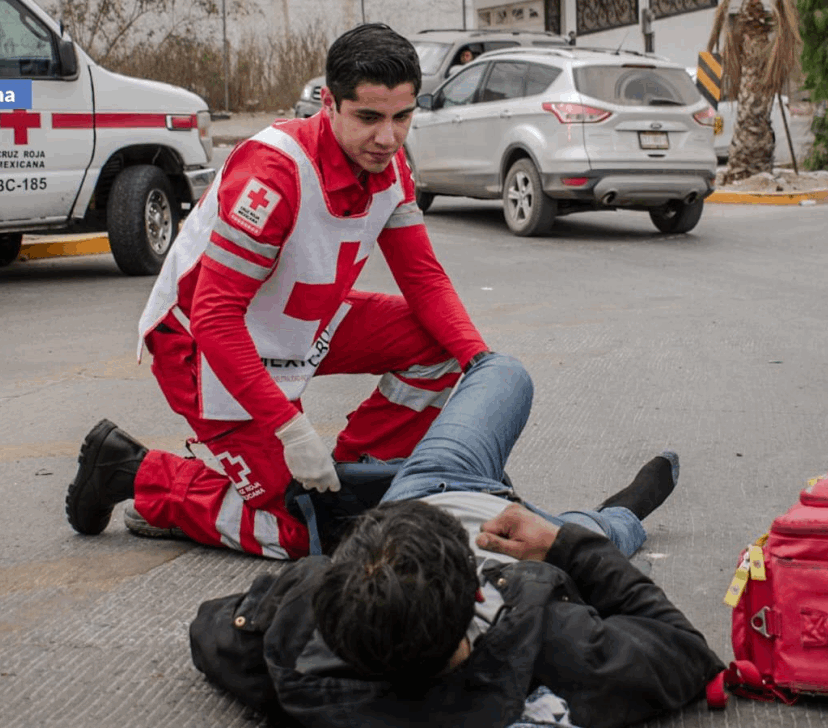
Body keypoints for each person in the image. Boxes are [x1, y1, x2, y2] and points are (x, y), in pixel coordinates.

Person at [64, 23, 491, 559]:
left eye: (402, 117)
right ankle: (141, 475)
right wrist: (291, 432)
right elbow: (216, 318)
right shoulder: (272, 176)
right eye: (369, 117)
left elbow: (425, 280)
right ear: (329, 102)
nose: (389, 138)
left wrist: (482, 366)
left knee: (439, 347)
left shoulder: (388, 167)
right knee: (301, 535)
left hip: (300, 322)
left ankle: (348, 477)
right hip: (203, 343)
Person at [188, 352, 724, 727]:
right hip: (501, 527)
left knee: (503, 378)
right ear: (477, 595)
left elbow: (210, 626)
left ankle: (604, 521)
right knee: (508, 378)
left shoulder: (294, 651)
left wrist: (291, 597)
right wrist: (562, 544)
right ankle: (619, 516)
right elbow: (687, 652)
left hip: (422, 489)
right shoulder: (558, 646)